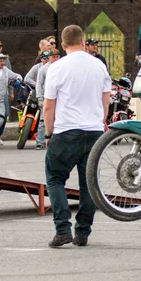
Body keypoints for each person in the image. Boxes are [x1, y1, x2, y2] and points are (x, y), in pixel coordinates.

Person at [43, 25, 111, 248]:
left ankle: (62, 229)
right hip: (93, 132)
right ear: (83, 42)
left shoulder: (57, 67)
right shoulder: (99, 65)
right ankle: (82, 233)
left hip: (66, 131)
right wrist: (100, 121)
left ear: (62, 45)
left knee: (55, 179)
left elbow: (48, 106)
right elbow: (105, 101)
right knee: (88, 184)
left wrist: (48, 133)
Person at [35, 48, 61, 150]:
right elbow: (39, 84)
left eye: (57, 56)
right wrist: (39, 98)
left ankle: (56, 141)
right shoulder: (44, 69)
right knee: (43, 119)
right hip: (47, 97)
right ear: (49, 58)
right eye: (53, 57)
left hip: (59, 98)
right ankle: (40, 141)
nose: (55, 59)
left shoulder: (62, 68)